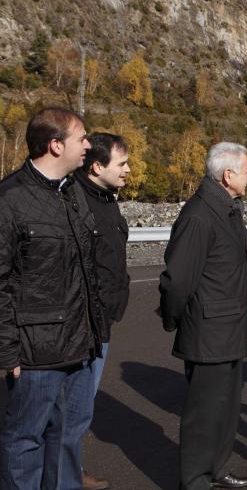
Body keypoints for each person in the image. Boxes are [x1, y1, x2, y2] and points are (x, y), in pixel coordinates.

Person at [0, 107, 105, 490]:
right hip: (35, 353)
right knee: (24, 442)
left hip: (79, 347)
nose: (89, 146)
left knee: (66, 443)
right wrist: (7, 351)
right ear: (55, 145)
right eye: (82, 138)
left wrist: (97, 330)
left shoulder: (72, 192)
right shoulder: (10, 199)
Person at [159, 142, 247, 490]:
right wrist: (175, 320)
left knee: (226, 411)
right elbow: (178, 279)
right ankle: (195, 479)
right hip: (209, 331)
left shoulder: (227, 209)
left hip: (229, 329)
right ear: (228, 175)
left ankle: (215, 469)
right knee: (204, 414)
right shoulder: (199, 214)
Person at [73, 132, 132, 490]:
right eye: (121, 163)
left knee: (82, 406)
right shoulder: (77, 202)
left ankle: (71, 470)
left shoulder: (108, 200)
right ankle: (65, 474)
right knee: (71, 407)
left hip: (103, 320)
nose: (128, 170)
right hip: (81, 322)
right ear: (97, 166)